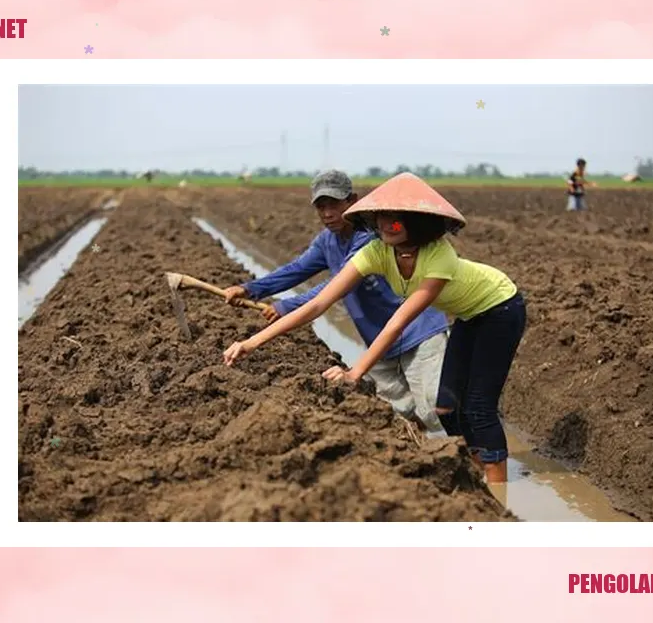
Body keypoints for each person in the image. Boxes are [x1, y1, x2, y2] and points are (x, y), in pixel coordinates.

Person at [223, 172, 527, 483]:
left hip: (499, 307)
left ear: (414, 223)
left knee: (477, 405)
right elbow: (318, 303)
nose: (384, 228)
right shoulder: (376, 251)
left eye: (393, 222)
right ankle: (476, 468)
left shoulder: (439, 255)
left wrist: (355, 372)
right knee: (446, 407)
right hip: (467, 315)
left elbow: (399, 321)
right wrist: (251, 342)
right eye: (380, 221)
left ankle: (498, 487)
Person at [220, 169, 450, 433]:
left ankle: (475, 448)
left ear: (352, 201)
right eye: (321, 207)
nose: (328, 213)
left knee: (437, 410)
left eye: (334, 205)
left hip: (418, 331)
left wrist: (287, 306)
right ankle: (422, 456)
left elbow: (335, 286)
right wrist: (250, 289)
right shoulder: (327, 241)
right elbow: (296, 269)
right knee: (399, 412)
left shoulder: (370, 239)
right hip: (379, 340)